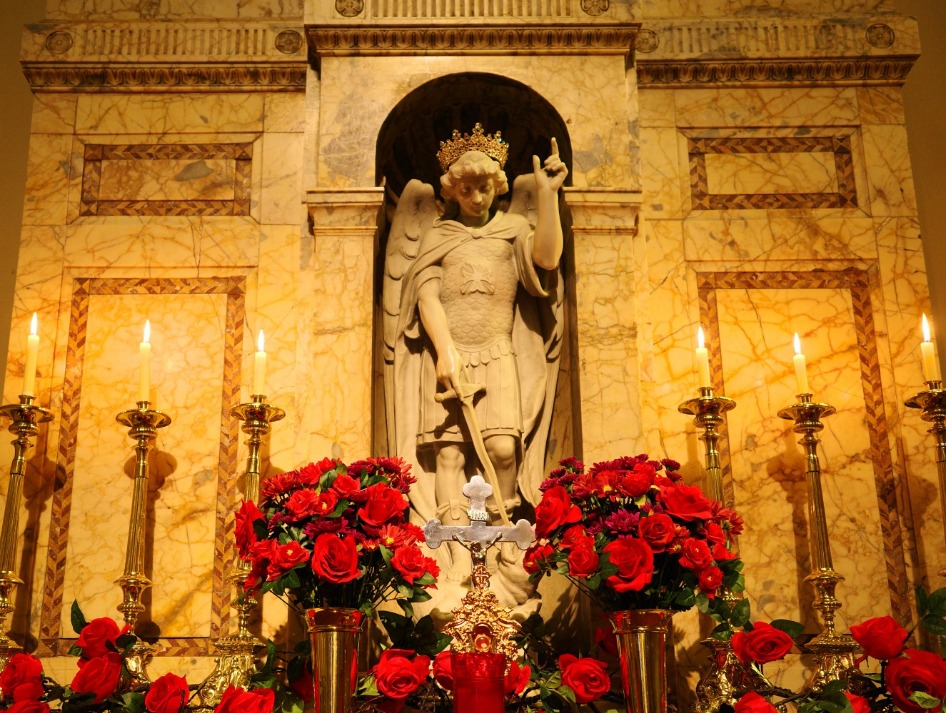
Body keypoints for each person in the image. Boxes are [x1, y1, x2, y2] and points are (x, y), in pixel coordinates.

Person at [389, 125, 567, 610]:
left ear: (498, 186)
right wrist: (445, 351)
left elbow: (547, 259)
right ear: (451, 190)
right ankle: (455, 557)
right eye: (465, 188)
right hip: (447, 356)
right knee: (448, 456)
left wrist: (548, 196)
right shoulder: (438, 235)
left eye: (484, 187)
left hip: (498, 353)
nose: (475, 197)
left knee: (503, 450)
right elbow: (425, 295)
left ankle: (501, 547)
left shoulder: (514, 230)